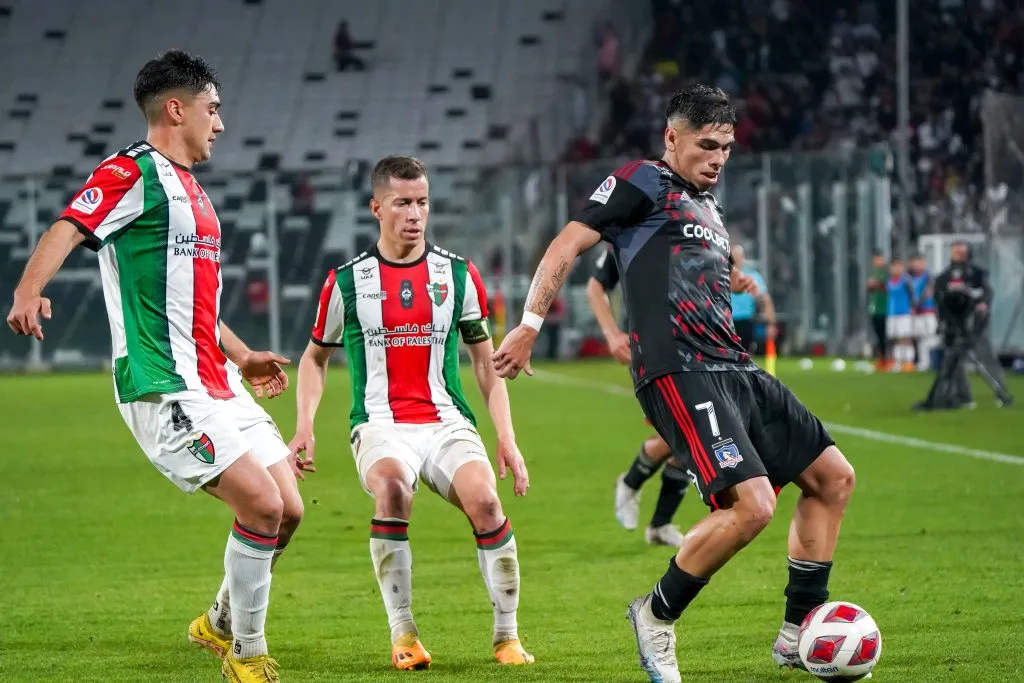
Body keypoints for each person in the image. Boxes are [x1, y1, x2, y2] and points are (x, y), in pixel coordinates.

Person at [492, 84, 856, 683]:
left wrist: (739, 282)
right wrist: (530, 323)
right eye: (707, 145)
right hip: (678, 368)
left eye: (728, 148)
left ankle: (797, 634)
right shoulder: (641, 181)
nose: (718, 158)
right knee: (755, 505)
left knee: (834, 478)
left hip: (734, 366)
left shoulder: (708, 208)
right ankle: (655, 617)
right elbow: (567, 243)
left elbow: (705, 269)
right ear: (672, 137)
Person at [5, 50, 301, 683]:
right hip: (163, 384)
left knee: (291, 510)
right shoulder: (131, 172)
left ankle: (218, 622)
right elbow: (68, 224)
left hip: (216, 381)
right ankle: (247, 656)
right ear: (177, 109)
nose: (219, 124)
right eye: (212, 109)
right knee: (262, 506)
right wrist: (28, 290)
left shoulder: (193, 191)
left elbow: (189, 299)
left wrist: (242, 353)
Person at [290, 156, 534, 670]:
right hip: (379, 424)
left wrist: (506, 438)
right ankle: (404, 634)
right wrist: (305, 426)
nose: (415, 213)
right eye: (402, 202)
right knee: (394, 488)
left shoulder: (458, 275)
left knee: (487, 503)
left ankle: (507, 637)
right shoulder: (347, 282)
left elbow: (486, 366)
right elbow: (315, 358)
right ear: (377, 207)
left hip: (446, 421)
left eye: (422, 202)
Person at [586, 245, 688, 546]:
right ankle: (633, 487)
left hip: (696, 346)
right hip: (654, 350)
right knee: (683, 435)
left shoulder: (696, 219)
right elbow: (596, 287)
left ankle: (657, 521)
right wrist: (611, 334)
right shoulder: (634, 230)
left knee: (688, 438)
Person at [729, 245, 776, 353]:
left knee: (746, 355)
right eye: (734, 256)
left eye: (739, 256)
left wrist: (770, 324)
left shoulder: (753, 277)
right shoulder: (723, 275)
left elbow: (765, 300)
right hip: (727, 322)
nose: (737, 259)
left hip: (746, 322)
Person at [908, 254, 938, 371]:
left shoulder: (928, 277)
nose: (917, 265)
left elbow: (927, 293)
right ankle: (923, 362)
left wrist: (917, 305)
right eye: (915, 262)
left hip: (928, 310)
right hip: (917, 312)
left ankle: (934, 361)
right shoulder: (911, 278)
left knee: (931, 336)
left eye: (919, 262)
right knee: (920, 338)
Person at [885, 258, 915, 372]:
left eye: (898, 267)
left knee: (905, 337)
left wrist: (912, 307)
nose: (896, 269)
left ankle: (908, 361)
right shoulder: (888, 280)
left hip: (904, 312)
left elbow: (912, 295)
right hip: (892, 312)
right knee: (895, 337)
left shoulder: (906, 280)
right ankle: (897, 361)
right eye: (894, 267)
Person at [866, 251, 888, 370]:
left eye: (879, 259)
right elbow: (869, 289)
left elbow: (886, 288)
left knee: (885, 335)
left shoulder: (885, 274)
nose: (876, 261)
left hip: (884, 309)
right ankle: (881, 359)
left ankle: (887, 359)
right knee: (878, 335)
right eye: (875, 259)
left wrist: (876, 284)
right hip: (875, 309)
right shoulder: (874, 273)